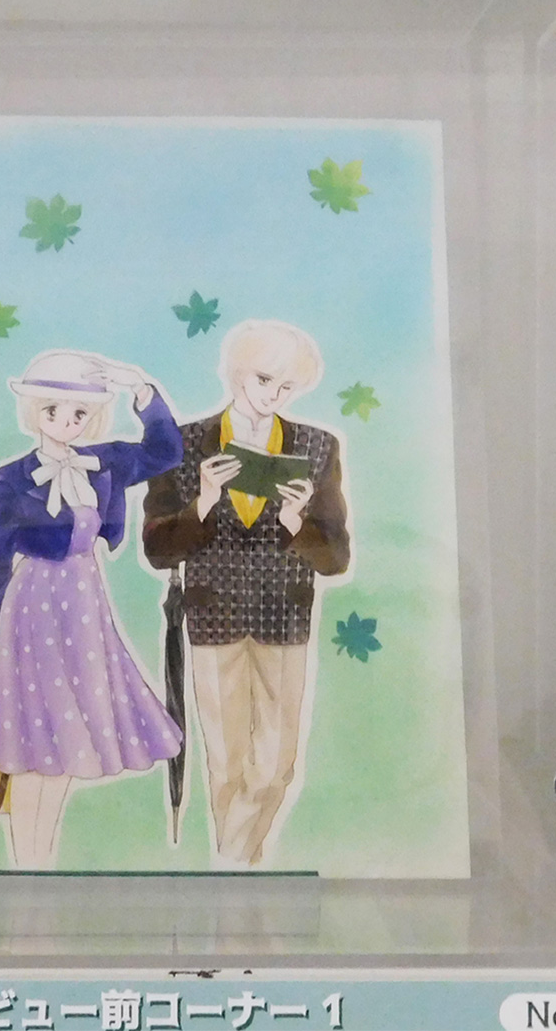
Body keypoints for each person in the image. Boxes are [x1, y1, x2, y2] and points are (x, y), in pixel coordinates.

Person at [142, 320, 351, 866]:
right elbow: (158, 550)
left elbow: (336, 558)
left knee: (276, 766)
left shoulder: (316, 447)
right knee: (226, 766)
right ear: (236, 372)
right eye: (264, 379)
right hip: (212, 618)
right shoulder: (183, 445)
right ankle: (241, 876)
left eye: (287, 386)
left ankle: (228, 865)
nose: (274, 395)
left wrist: (296, 521)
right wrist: (205, 501)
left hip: (285, 618)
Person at [0, 349, 184, 869]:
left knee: (67, 738)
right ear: (34, 412)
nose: (66, 423)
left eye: (79, 414)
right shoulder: (7, 479)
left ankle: (40, 861)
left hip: (85, 605)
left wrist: (142, 388)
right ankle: (26, 863)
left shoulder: (106, 461)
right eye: (53, 411)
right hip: (33, 608)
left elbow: (165, 452)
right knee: (35, 741)